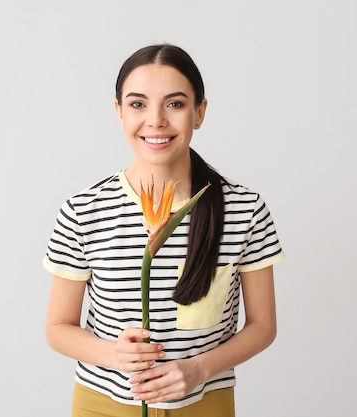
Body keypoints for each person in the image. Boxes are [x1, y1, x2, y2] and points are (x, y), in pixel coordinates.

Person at [43, 43, 285, 417]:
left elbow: (263, 325)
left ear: (199, 112)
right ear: (119, 112)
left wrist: (199, 370)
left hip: (205, 405)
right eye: (138, 104)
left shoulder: (244, 209)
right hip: (103, 406)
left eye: (175, 104)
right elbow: (58, 327)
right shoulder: (83, 210)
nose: (155, 120)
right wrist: (113, 353)